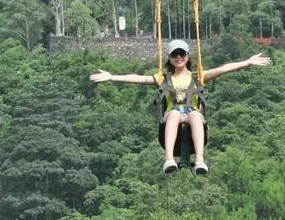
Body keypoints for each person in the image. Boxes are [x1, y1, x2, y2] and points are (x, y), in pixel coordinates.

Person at [89, 39, 272, 175]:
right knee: (175, 113)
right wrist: (112, 77)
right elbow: (139, 78)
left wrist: (247, 63)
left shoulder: (198, 76)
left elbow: (224, 69)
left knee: (194, 115)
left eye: (181, 54)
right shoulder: (163, 78)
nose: (178, 58)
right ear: (170, 58)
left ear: (187, 57)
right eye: (175, 55)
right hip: (173, 116)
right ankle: (169, 159)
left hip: (192, 114)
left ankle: (200, 159)